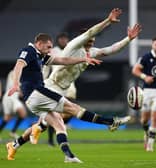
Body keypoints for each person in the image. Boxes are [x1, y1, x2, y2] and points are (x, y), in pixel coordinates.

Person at [6, 9, 131, 162]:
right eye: (48, 47)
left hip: (41, 95)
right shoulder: (31, 50)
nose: (50, 50)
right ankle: (110, 122)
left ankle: (21, 145)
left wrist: (128, 39)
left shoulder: (43, 55)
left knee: (60, 125)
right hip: (44, 89)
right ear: (39, 44)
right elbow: (19, 64)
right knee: (73, 109)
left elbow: (63, 61)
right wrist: (15, 84)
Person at [132, 37, 156, 152]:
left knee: (155, 117)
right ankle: (146, 133)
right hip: (147, 91)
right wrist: (144, 77)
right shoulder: (146, 57)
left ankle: (150, 144)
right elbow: (135, 70)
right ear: (152, 45)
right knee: (144, 119)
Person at [43, 32, 76, 146]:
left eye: (65, 39)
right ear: (58, 40)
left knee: (71, 111)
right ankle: (51, 140)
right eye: (61, 39)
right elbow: (46, 67)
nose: (63, 40)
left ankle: (53, 126)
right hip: (56, 84)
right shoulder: (53, 51)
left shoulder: (71, 49)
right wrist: (43, 81)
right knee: (56, 113)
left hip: (70, 85)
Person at [0, 70, 27, 139]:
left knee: (22, 114)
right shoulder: (14, 72)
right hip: (9, 97)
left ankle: (13, 131)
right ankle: (13, 132)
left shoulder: (22, 75)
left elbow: (20, 93)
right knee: (7, 118)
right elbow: (17, 86)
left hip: (14, 98)